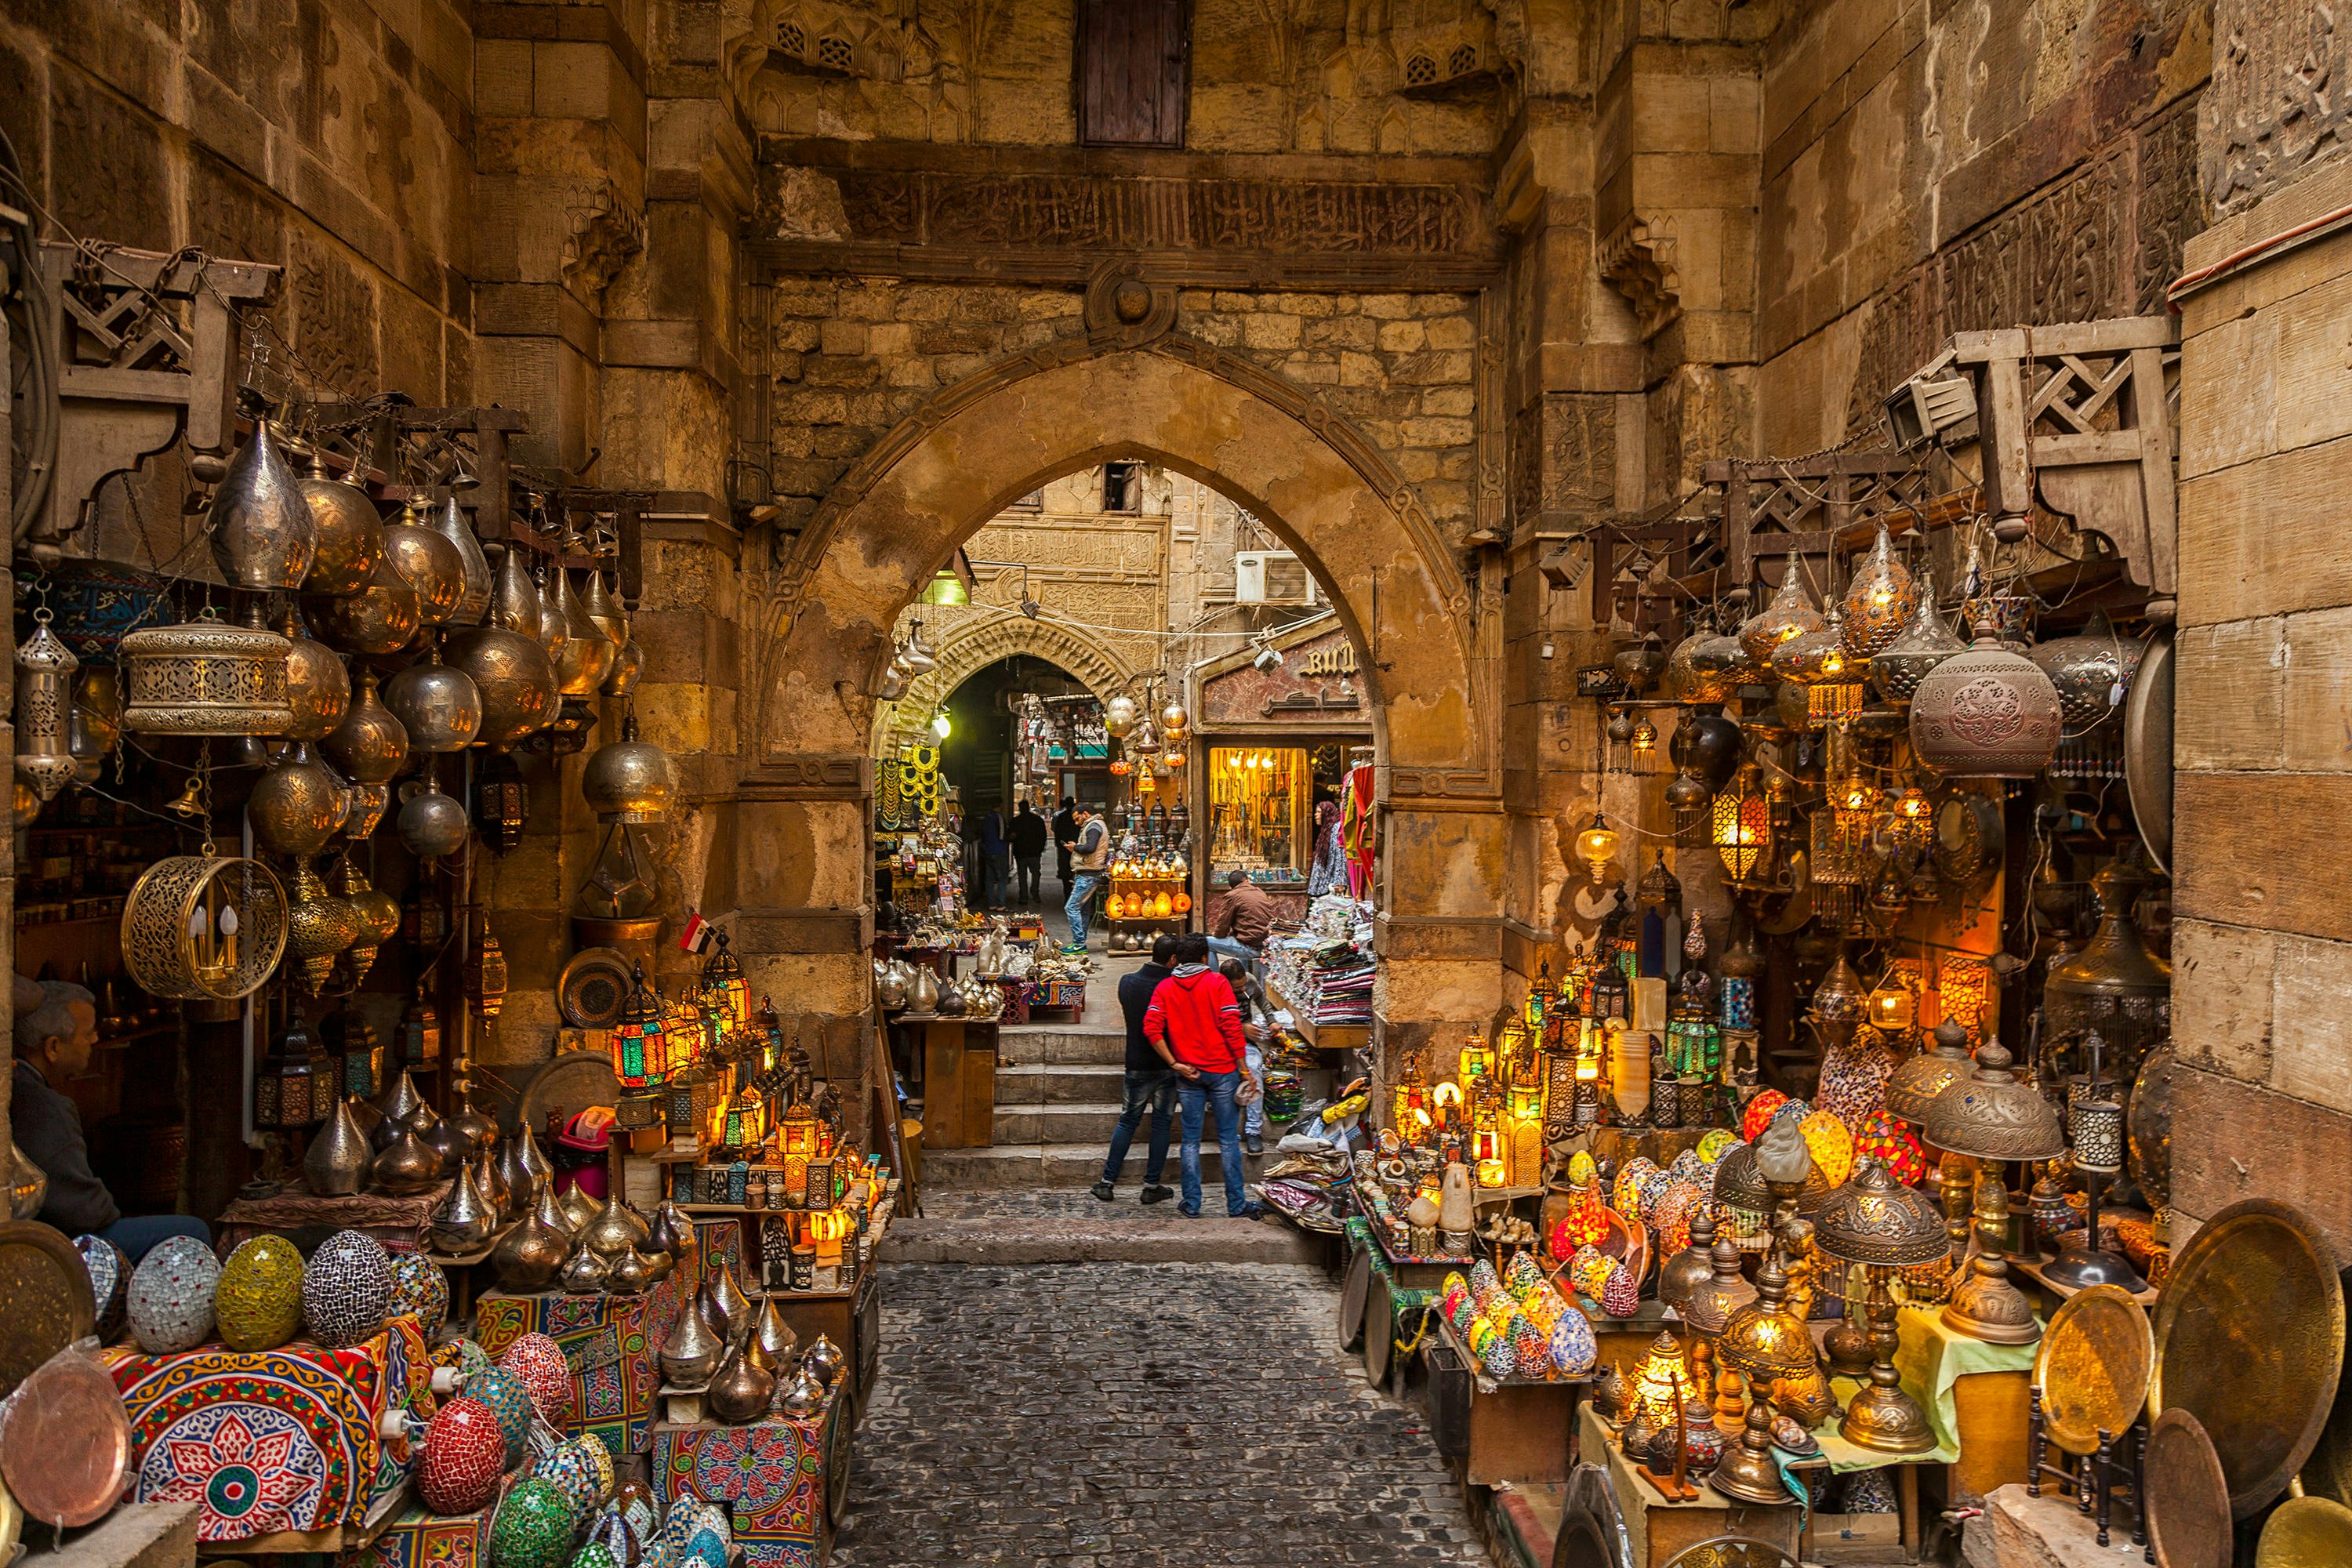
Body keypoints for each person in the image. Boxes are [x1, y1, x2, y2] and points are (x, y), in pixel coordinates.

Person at [13, 978, 209, 1261]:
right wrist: (111, 1210)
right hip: (57, 1244)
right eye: (87, 1033)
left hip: (45, 1232)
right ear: (53, 1047)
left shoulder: (24, 1086)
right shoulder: (46, 1107)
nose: (94, 1040)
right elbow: (83, 1211)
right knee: (192, 1231)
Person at [1142, 933, 1263, 1220]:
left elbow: (1151, 1028)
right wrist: (1245, 1070)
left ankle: (1192, 1203)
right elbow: (1232, 1029)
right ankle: (1236, 1204)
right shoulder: (1218, 983)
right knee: (1229, 1140)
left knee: (1191, 1141)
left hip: (1189, 1074)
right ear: (1203, 957)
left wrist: (1174, 1063)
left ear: (1178, 959)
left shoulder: (1166, 987)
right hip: (1223, 1071)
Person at [1092, 934, 1178, 1204]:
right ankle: (1151, 1185)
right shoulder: (1174, 987)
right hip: (1167, 1063)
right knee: (1162, 1123)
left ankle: (1107, 1182)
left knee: (1128, 1120)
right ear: (1173, 960)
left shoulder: (1127, 982)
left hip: (1137, 1063)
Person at [1220, 957, 1272, 1155]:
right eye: (1236, 988)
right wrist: (1242, 1028)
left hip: (1244, 1045)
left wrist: (1272, 1020)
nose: (1241, 990)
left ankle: (1253, 1130)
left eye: (1243, 986)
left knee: (1254, 1071)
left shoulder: (1249, 981)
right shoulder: (1215, 990)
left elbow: (1262, 1000)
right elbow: (1214, 1022)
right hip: (1222, 1043)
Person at [1209, 868, 1276, 972]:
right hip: (1266, 945)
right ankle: (1244, 978)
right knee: (1240, 938)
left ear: (1231, 887)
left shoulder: (1232, 895)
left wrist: (1217, 935)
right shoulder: (1260, 892)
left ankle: (1215, 982)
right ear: (1247, 881)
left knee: (1206, 942)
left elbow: (1223, 925)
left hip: (1251, 948)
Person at [1063, 804, 1109, 951]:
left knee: (1071, 908)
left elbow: (1090, 848)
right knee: (1082, 909)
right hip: (1088, 873)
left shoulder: (1094, 826)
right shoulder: (1094, 825)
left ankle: (1078, 944)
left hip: (1089, 874)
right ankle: (1079, 943)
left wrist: (1075, 847)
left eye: (1078, 819)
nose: (1077, 823)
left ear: (1086, 814)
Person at [1010, 800, 1048, 906]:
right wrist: (1040, 848)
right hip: (1034, 852)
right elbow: (1043, 836)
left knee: (1022, 876)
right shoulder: (1037, 820)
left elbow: (1011, 837)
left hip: (1020, 852)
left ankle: (1023, 897)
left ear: (1020, 808)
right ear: (1029, 807)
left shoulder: (1015, 821)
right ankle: (1035, 892)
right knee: (1036, 874)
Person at [978, 804, 1010, 909]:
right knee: (1002, 879)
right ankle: (1001, 904)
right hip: (999, 851)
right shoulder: (998, 817)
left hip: (988, 851)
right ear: (1000, 805)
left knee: (989, 879)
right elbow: (1002, 835)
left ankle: (991, 904)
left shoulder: (986, 818)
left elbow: (982, 834)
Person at [1051, 797, 1077, 894]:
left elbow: (1056, 831)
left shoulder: (1062, 816)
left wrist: (1060, 843)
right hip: (1075, 846)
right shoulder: (1074, 816)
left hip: (1064, 846)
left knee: (1065, 870)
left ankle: (1067, 891)